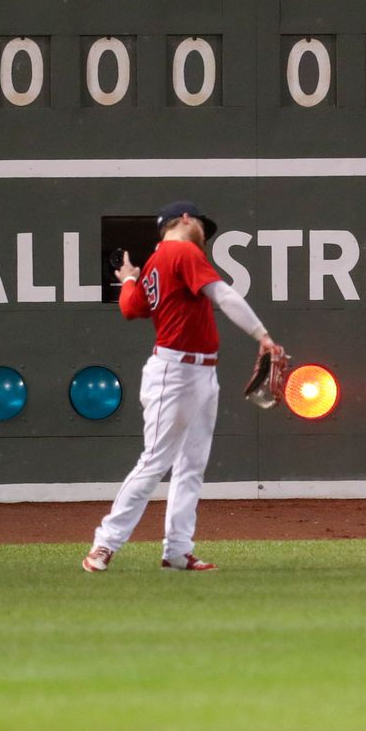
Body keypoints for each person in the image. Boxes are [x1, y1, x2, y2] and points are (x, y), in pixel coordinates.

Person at [83, 200, 278, 574]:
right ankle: (104, 543)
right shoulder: (180, 250)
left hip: (201, 372)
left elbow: (131, 307)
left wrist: (128, 279)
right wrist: (262, 335)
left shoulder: (158, 262)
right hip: (174, 372)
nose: (204, 237)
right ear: (186, 220)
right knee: (155, 461)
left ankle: (176, 550)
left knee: (191, 466)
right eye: (203, 228)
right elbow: (223, 295)